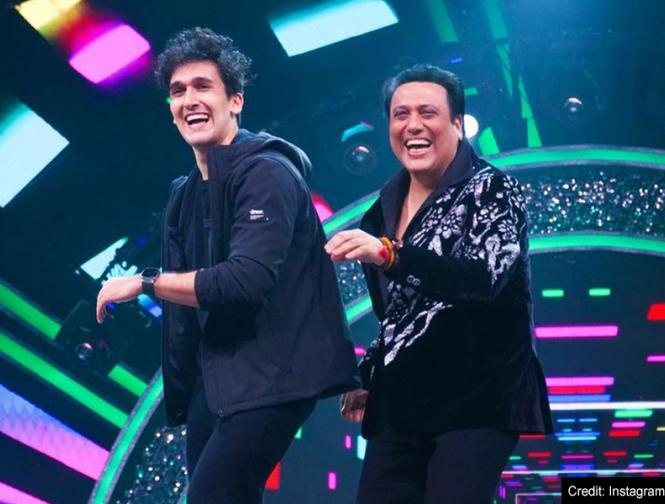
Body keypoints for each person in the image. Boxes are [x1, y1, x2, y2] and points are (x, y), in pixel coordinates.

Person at [96, 27, 359, 504]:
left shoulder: (267, 171)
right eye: (178, 91)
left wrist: (145, 284)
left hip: (275, 376)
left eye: (203, 86)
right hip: (216, 381)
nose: (189, 100)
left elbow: (245, 280)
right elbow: (187, 314)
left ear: (235, 101)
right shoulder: (184, 195)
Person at [326, 64, 553, 504]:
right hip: (402, 404)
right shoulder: (380, 212)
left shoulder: (493, 190)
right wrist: (368, 376)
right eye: (401, 114)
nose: (413, 125)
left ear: (457, 124)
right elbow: (402, 315)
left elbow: (483, 277)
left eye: (427, 113)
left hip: (476, 401)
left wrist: (391, 255)